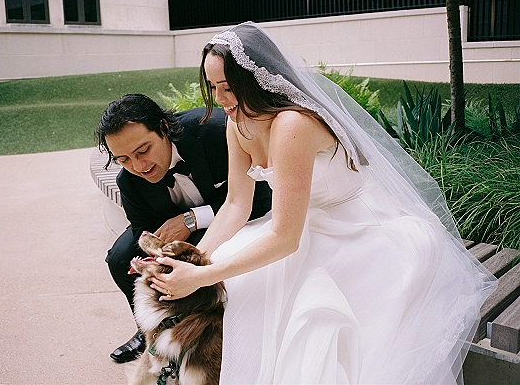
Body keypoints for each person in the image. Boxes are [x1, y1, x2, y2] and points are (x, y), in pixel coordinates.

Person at [148, 22, 497, 384]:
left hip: (358, 230)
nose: (220, 100)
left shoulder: (291, 125)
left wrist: (204, 276)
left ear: (253, 79)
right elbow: (236, 204)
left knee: (301, 311)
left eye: (227, 87)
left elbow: (285, 238)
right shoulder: (239, 124)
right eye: (213, 87)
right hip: (303, 224)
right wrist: (192, 260)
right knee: (232, 274)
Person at [95, 93, 272, 363]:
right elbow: (146, 231)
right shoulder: (128, 182)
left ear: (164, 127)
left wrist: (191, 220)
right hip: (175, 230)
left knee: (207, 253)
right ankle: (151, 329)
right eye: (124, 159)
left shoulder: (215, 132)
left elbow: (261, 198)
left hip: (241, 215)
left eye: (143, 151)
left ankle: (211, 331)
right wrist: (157, 258)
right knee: (120, 258)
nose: (138, 166)